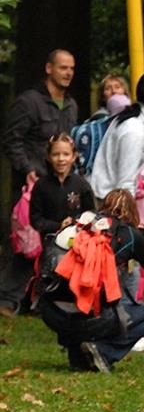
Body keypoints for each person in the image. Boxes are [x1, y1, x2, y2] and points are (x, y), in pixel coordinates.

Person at [37, 188, 144, 372]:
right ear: (132, 212)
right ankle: (103, 351)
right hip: (89, 317)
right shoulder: (130, 235)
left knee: (79, 297)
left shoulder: (80, 223)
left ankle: (79, 358)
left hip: (51, 311)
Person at [1, 49, 79, 317]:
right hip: (32, 186)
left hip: (60, 186)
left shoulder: (71, 105)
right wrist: (27, 169)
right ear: (49, 68)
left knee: (57, 240)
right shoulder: (29, 102)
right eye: (63, 67)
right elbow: (12, 140)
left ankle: (43, 300)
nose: (68, 73)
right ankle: (7, 299)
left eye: (71, 68)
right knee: (26, 243)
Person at [89, 70, 144, 200]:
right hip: (109, 203)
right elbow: (125, 185)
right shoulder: (134, 131)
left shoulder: (136, 121)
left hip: (111, 200)